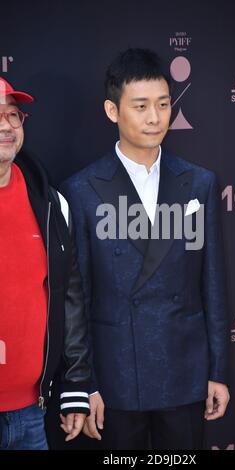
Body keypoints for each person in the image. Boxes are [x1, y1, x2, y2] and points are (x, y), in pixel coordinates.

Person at [61, 48, 230, 450]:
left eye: (163, 104)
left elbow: (213, 285)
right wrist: (86, 384)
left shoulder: (199, 183)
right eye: (140, 106)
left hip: (184, 373)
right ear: (112, 110)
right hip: (116, 377)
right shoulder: (82, 191)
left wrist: (218, 371)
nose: (155, 117)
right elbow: (76, 297)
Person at [0, 77, 91, 450]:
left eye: (13, 115)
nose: (6, 125)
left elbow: (68, 301)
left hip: (30, 415)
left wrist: (75, 386)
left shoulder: (51, 204)